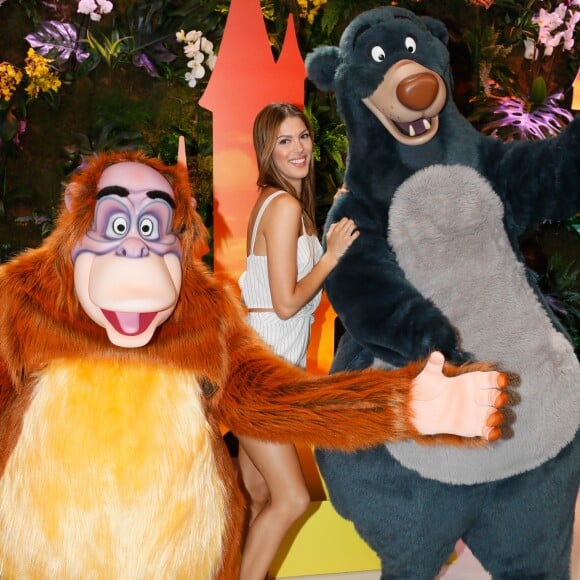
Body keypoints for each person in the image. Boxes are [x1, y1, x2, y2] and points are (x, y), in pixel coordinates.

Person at [237, 102, 359, 580]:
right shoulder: (284, 207)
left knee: (258, 496)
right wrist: (330, 258)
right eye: (284, 141)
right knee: (289, 498)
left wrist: (334, 222)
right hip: (261, 373)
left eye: (303, 136)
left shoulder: (281, 203)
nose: (298, 148)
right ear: (266, 150)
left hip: (263, 366)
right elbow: (287, 303)